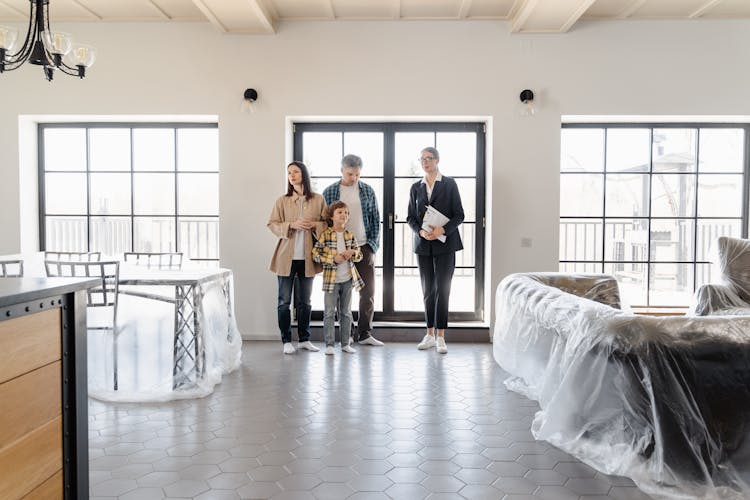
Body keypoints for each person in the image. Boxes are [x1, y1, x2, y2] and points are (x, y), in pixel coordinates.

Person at [407, 147, 464, 354]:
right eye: (422, 159)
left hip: (445, 244)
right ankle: (429, 334)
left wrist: (443, 229)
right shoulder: (416, 187)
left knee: (443, 289)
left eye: (429, 158)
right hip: (423, 245)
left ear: (437, 160)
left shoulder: (449, 184)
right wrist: (420, 232)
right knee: (427, 290)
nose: (425, 162)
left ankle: (441, 336)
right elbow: (410, 218)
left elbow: (459, 214)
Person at [322, 154, 384, 346]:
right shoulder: (330, 192)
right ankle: (346, 335)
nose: (354, 178)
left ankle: (365, 334)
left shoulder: (367, 191)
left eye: (357, 174)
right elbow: (324, 222)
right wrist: (330, 251)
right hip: (338, 249)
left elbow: (376, 219)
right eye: (350, 174)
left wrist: (371, 246)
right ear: (341, 170)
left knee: (368, 292)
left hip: (363, 247)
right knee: (342, 293)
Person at [268, 161, 328, 354]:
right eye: (289, 173)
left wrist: (313, 225)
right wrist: (291, 225)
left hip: (308, 257)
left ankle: (304, 339)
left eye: (295, 172)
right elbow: (272, 224)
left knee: (305, 301)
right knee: (284, 301)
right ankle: (286, 340)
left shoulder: (318, 200)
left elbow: (327, 224)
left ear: (303, 174)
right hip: (286, 256)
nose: (292, 175)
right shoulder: (282, 201)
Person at [312, 200, 364, 355]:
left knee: (346, 312)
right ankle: (329, 344)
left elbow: (359, 255)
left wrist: (353, 253)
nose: (344, 215)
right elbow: (315, 254)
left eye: (346, 213)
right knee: (329, 312)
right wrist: (332, 258)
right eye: (340, 212)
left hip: (348, 280)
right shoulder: (326, 235)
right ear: (332, 217)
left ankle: (345, 344)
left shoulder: (350, 235)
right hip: (331, 280)